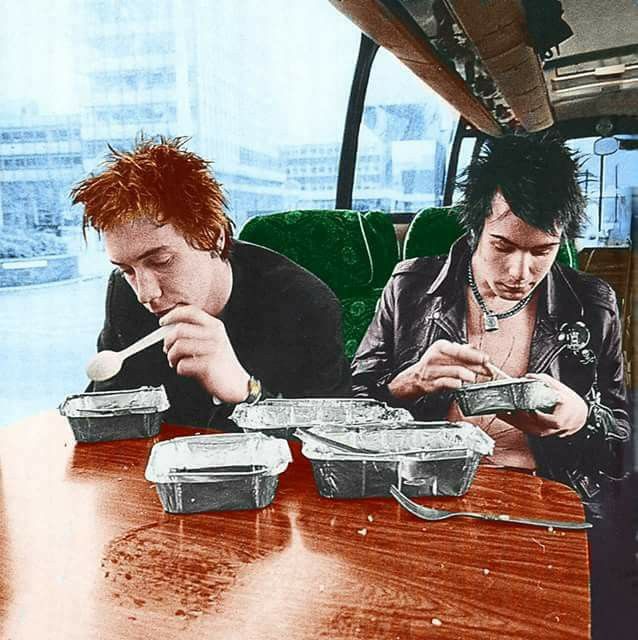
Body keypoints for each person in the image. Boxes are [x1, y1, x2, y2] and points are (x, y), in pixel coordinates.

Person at [351, 134, 634, 638]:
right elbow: (350, 408)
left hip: (544, 505)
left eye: (542, 251)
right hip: (423, 497)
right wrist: (408, 383)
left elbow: (621, 447)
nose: (519, 272)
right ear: (475, 225)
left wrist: (578, 419)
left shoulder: (593, 304)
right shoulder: (410, 287)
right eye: (501, 245)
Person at [72, 136, 350, 428]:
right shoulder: (124, 295)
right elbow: (107, 409)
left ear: (213, 238)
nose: (145, 292)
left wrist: (247, 392)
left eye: (161, 261)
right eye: (126, 269)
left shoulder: (306, 303)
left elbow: (333, 440)